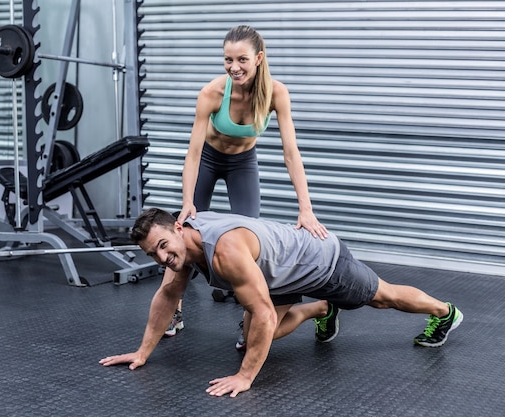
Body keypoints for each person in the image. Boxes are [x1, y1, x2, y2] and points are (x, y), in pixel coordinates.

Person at [100, 209, 464, 398]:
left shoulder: (225, 252)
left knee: (384, 298)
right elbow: (167, 296)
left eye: (163, 246)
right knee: (253, 336)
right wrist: (142, 353)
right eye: (153, 254)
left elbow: (260, 310)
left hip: (321, 263)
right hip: (277, 275)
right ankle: (320, 309)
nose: (162, 258)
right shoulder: (183, 250)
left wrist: (245, 376)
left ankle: (444, 312)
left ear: (178, 228)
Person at [165, 24, 329, 341]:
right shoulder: (211, 93)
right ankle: (174, 311)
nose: (234, 67)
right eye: (228, 60)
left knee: (252, 240)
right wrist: (188, 201)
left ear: (258, 58)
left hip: (243, 163)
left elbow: (291, 153)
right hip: (209, 161)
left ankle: (249, 321)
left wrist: (305, 209)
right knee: (182, 233)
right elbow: (193, 153)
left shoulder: (276, 93)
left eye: (241, 59)